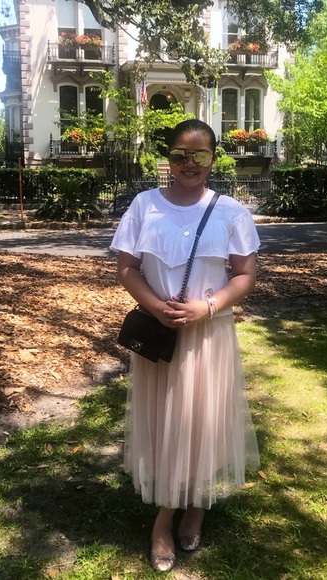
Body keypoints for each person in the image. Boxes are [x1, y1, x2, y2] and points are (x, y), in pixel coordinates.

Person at [110, 119, 260, 572]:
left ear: (214, 158)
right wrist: (157, 307)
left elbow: (245, 275)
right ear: (168, 157)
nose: (188, 163)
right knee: (164, 423)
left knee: (201, 422)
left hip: (209, 337)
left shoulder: (231, 212)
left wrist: (207, 307)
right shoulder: (144, 205)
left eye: (199, 154)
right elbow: (126, 267)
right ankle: (164, 518)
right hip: (162, 338)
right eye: (179, 153)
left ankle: (194, 507)